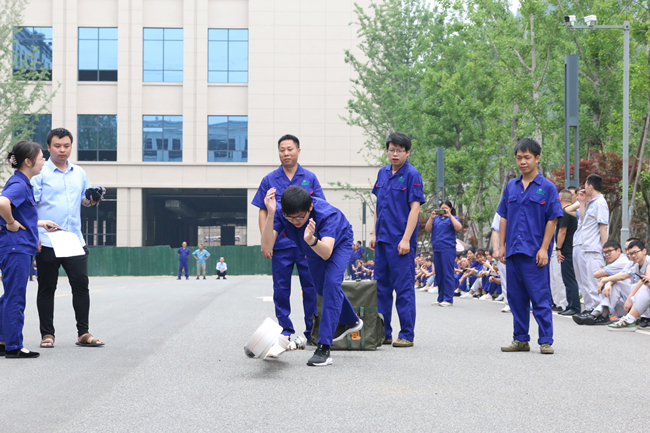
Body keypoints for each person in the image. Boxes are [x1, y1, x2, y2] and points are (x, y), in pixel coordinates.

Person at [261, 186, 362, 367]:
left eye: (300, 217)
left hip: (336, 244)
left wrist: (311, 240)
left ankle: (324, 348)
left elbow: (327, 253)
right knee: (321, 289)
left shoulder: (327, 215)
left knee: (331, 285)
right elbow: (267, 247)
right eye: (290, 218)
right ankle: (351, 320)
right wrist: (271, 214)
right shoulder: (282, 213)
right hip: (311, 245)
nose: (295, 222)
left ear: (310, 207)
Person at [32, 128, 104, 348]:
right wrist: (34, 235)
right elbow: (30, 206)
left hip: (73, 240)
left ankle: (83, 333)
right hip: (48, 240)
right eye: (57, 146)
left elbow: (85, 201)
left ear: (71, 146)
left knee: (81, 285)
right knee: (47, 288)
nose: (62, 150)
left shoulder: (79, 173)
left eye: (66, 146)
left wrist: (93, 199)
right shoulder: (40, 173)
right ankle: (47, 334)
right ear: (48, 147)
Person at [251, 134, 324, 344]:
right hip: (281, 244)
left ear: (298, 151)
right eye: (282, 150)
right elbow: (263, 211)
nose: (286, 153)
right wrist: (266, 241)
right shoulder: (269, 180)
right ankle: (285, 330)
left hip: (306, 244)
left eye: (290, 149)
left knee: (311, 288)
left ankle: (312, 331)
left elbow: (319, 208)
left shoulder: (310, 178)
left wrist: (316, 240)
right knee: (281, 289)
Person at [497, 138, 563, 354]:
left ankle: (546, 340)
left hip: (534, 253)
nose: (523, 162)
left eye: (527, 157)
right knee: (516, 298)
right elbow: (503, 217)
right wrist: (501, 245)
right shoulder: (511, 186)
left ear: (537, 158)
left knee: (539, 296)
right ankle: (520, 339)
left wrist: (544, 248)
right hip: (513, 251)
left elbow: (552, 219)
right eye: (519, 158)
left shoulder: (548, 187)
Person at [0, 141, 58, 358]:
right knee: (15, 297)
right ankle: (14, 346)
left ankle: (3, 340)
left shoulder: (22, 182)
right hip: (16, 248)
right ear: (28, 161)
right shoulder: (19, 184)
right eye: (41, 157)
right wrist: (11, 222)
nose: (44, 161)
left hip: (16, 247)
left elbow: (21, 213)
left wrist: (40, 223)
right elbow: (2, 203)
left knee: (10, 296)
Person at [370, 132, 425, 348]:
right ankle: (384, 332)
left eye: (400, 151)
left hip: (400, 241)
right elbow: (378, 205)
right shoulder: (383, 173)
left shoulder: (412, 174)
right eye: (391, 150)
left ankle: (407, 334)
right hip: (382, 240)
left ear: (407, 152)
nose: (395, 154)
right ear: (386, 151)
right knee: (381, 288)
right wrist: (374, 233)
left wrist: (406, 239)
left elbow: (415, 209)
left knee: (403, 288)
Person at [565, 174, 609, 314]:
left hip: (593, 248)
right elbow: (583, 220)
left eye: (585, 185)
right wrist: (582, 201)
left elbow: (603, 227)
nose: (583, 188)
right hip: (583, 246)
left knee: (593, 281)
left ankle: (599, 311)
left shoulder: (600, 202)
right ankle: (590, 308)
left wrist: (605, 249)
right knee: (583, 280)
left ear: (590, 186)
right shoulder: (591, 203)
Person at [573, 240, 632, 325]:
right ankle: (598, 314)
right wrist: (608, 280)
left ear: (618, 250)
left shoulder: (622, 261)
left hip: (634, 303)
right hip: (628, 301)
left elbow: (596, 274)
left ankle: (598, 314)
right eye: (605, 252)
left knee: (616, 285)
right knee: (609, 285)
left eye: (609, 251)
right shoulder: (628, 262)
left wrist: (606, 280)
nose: (607, 254)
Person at [425, 201, 462, 307]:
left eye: (446, 208)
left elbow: (458, 228)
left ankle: (448, 299)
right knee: (439, 274)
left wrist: (450, 216)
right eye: (442, 208)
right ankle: (440, 298)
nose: (444, 210)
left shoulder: (453, 218)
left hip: (448, 249)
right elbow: (428, 229)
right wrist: (431, 218)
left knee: (447, 273)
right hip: (437, 249)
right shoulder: (436, 219)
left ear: (450, 209)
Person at [608, 240, 650, 331]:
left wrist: (630, 299)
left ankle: (633, 319)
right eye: (631, 254)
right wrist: (607, 281)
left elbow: (646, 280)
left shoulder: (648, 262)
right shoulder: (636, 265)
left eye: (635, 252)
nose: (633, 255)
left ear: (644, 251)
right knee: (636, 287)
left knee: (643, 287)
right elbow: (623, 275)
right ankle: (632, 318)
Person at [556, 189, 580, 316]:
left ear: (560, 199)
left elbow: (562, 231)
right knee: (569, 279)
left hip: (567, 249)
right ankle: (570, 304)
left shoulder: (565, 212)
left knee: (569, 279)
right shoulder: (573, 212)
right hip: (572, 249)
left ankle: (574, 306)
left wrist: (558, 248)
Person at [491, 213, 510, 313]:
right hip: (504, 249)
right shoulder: (501, 211)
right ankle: (508, 303)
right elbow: (495, 230)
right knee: (505, 277)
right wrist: (496, 250)